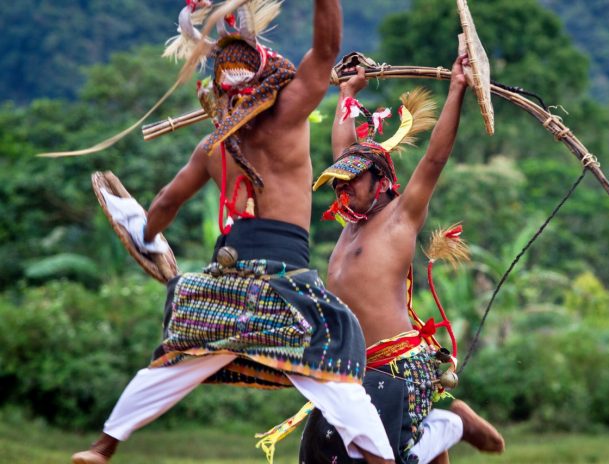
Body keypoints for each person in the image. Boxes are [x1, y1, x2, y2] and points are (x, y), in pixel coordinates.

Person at [71, 1, 395, 463]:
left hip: (226, 280)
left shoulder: (212, 145)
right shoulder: (288, 116)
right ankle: (382, 460)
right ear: (269, 77)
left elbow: (164, 204)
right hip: (285, 283)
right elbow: (326, 50)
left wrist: (146, 240)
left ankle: (103, 448)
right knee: (334, 358)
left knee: (175, 357)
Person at [303, 55, 505, 463]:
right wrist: (346, 93)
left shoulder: (399, 219)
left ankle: (454, 424)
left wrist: (456, 89)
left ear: (381, 181)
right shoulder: (350, 220)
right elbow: (343, 151)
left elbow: (433, 160)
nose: (343, 188)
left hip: (396, 368)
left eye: (354, 179)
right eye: (340, 181)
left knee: (393, 459)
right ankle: (447, 430)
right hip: (349, 372)